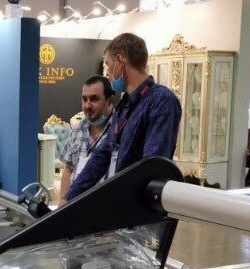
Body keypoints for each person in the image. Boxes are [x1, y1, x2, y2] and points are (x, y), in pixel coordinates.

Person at [63, 33, 181, 203]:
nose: (107, 73)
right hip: (121, 202)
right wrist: (69, 198)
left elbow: (152, 165)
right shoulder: (125, 105)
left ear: (119, 61)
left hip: (139, 206)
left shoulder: (161, 100)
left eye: (108, 64)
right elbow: (103, 155)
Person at [59, 75, 115, 199]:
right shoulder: (77, 129)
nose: (87, 106)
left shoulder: (120, 131)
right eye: (84, 99)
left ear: (110, 101)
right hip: (75, 205)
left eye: (94, 99)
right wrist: (62, 206)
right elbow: (68, 170)